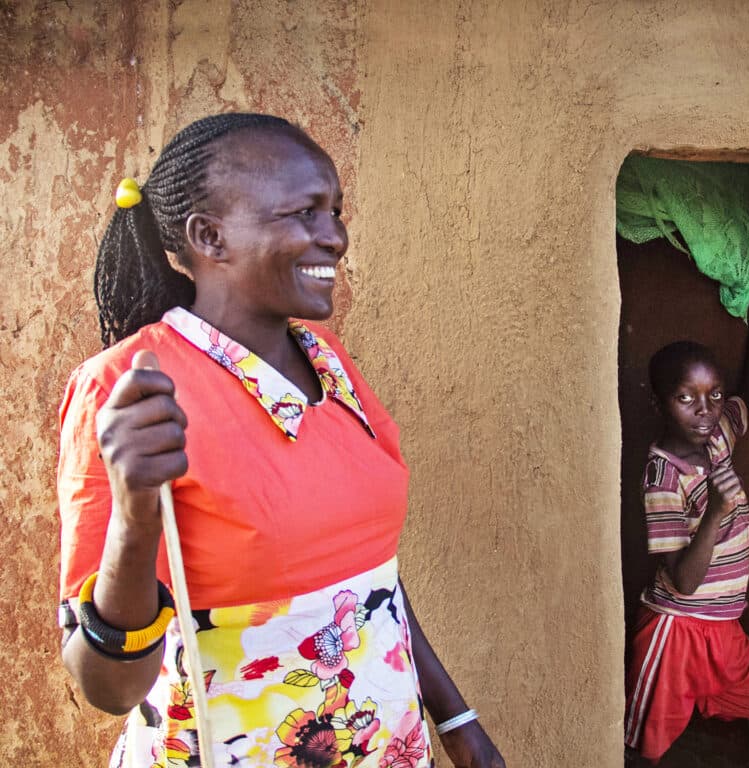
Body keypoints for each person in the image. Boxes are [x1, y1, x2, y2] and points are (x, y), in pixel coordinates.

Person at [57, 112, 505, 768]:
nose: (335, 237)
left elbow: (372, 581)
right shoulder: (128, 388)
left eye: (335, 211)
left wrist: (456, 719)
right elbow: (109, 688)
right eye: (305, 213)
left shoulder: (329, 362)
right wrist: (134, 513)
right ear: (210, 236)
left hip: (386, 746)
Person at [623, 282, 749, 765]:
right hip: (674, 630)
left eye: (713, 394)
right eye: (686, 398)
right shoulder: (663, 476)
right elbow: (681, 578)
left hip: (724, 626)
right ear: (660, 403)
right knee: (643, 751)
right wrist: (717, 513)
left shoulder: (718, 435)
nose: (704, 410)